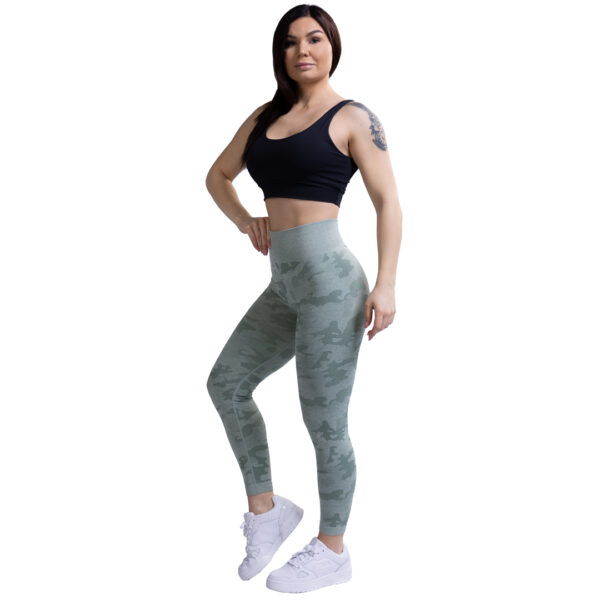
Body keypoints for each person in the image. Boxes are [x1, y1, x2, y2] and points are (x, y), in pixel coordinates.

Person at [205, 4, 402, 593]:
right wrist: (246, 220)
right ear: (281, 54)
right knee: (226, 384)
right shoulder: (264, 117)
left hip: (332, 288)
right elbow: (217, 176)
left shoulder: (353, 118)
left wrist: (386, 283)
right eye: (291, 43)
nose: (303, 51)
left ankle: (333, 549)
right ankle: (267, 512)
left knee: (324, 421)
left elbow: (388, 202)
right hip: (284, 286)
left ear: (332, 46)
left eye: (315, 39)